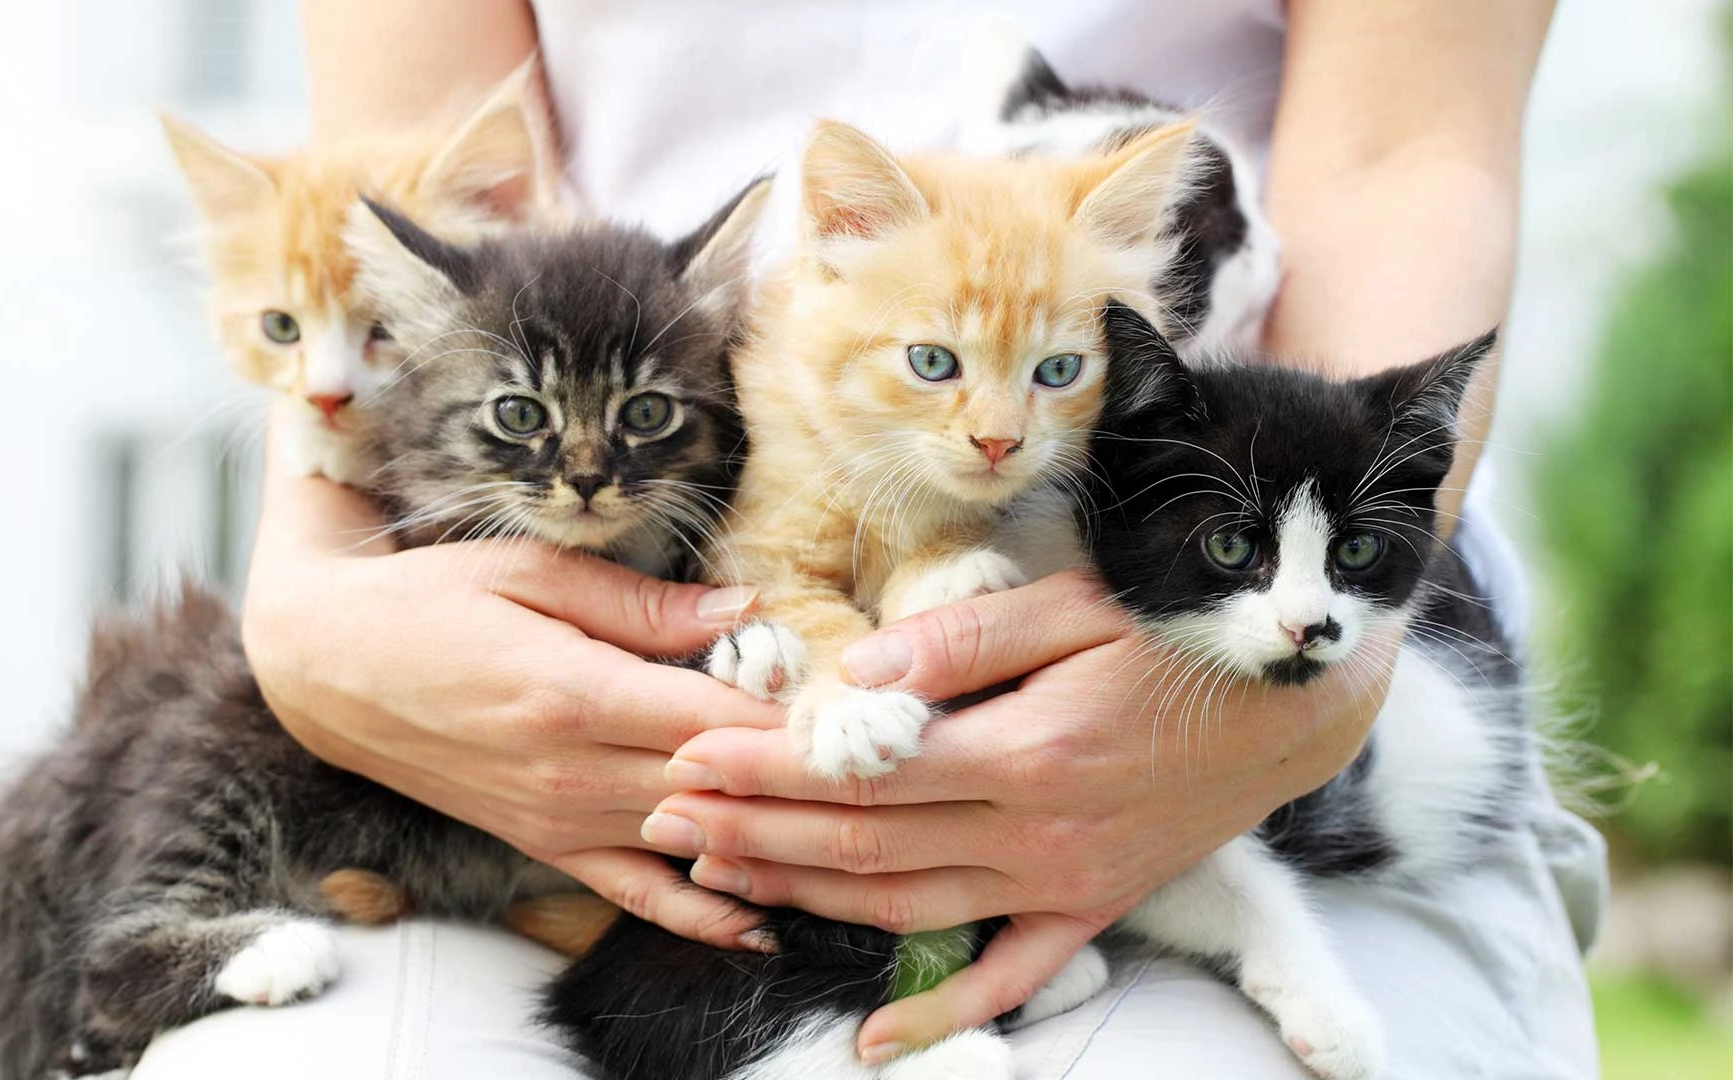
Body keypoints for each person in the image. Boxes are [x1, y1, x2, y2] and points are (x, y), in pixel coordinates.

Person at [134, 1, 1605, 1076]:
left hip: (1225, 606)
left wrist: (1310, 665)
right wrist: (316, 614)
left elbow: (1411, 153)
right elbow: (385, 261)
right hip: (560, 695)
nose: (988, 434)